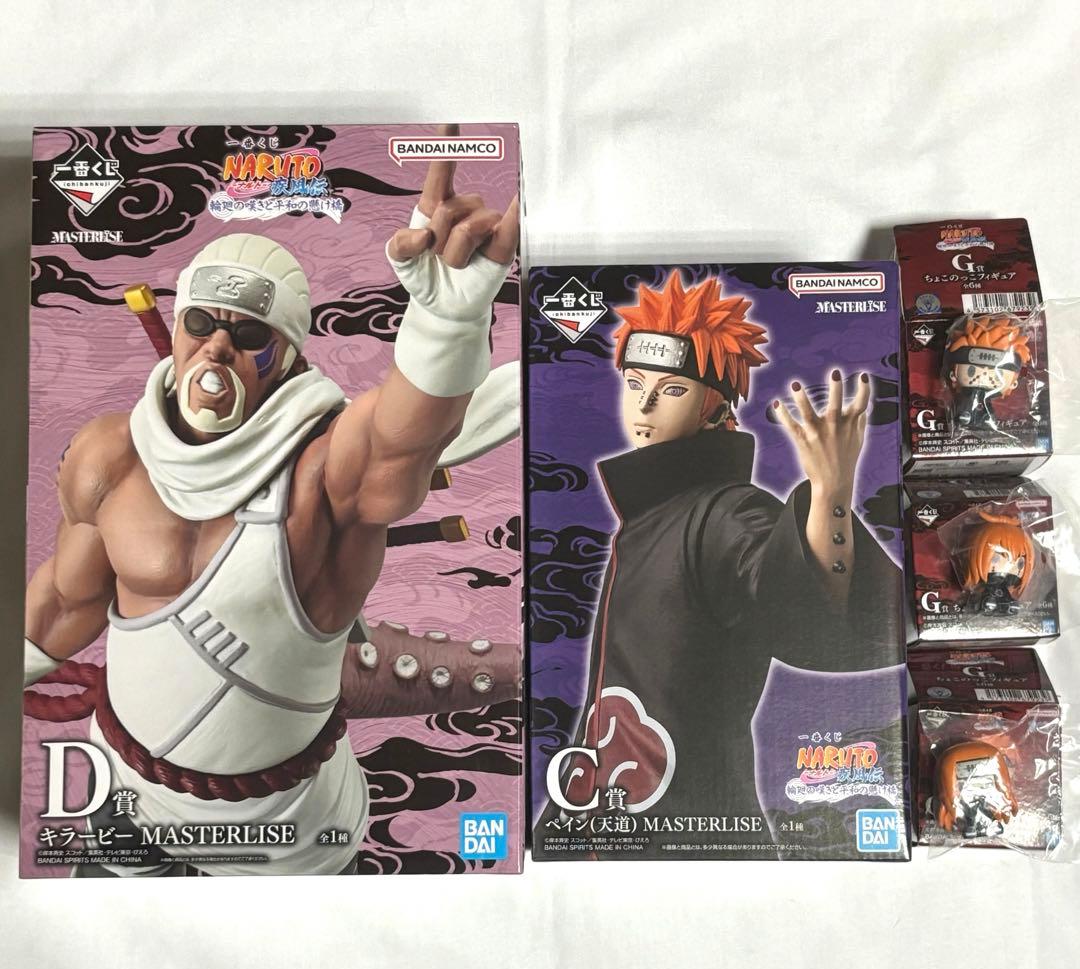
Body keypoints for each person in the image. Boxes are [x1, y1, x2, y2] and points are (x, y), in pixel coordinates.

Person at [23, 156, 518, 875]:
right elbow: (65, 602)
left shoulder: (322, 474)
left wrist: (445, 323)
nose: (217, 348)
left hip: (285, 830)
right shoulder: (110, 455)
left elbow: (398, 438)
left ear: (285, 358)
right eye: (201, 323)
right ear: (177, 327)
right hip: (123, 794)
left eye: (251, 335)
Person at [545, 271, 901, 835]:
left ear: (714, 406)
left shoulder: (727, 511)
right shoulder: (651, 514)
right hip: (602, 818)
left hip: (691, 829)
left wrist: (830, 494)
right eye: (635, 383)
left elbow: (798, 609)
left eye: (672, 390)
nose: (645, 405)